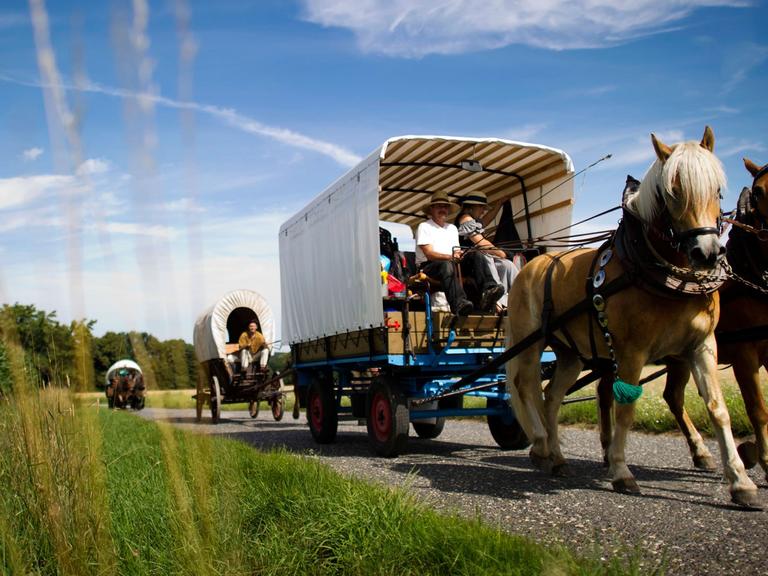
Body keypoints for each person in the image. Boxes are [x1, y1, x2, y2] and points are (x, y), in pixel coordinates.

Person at [415, 192, 504, 315]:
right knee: (445, 265)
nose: (443, 209)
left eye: (445, 207)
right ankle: (459, 303)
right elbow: (429, 254)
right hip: (430, 267)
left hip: (451, 263)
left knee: (476, 255)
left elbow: (457, 250)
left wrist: (461, 255)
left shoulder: (452, 228)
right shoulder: (424, 226)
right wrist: (451, 257)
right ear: (432, 209)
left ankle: (489, 290)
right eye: (439, 206)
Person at [456, 191, 522, 313]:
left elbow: (486, 220)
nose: (483, 210)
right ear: (471, 207)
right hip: (469, 263)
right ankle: (496, 303)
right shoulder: (465, 218)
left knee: (506, 265)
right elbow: (479, 242)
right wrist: (501, 253)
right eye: (481, 207)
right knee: (488, 259)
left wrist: (499, 205)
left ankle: (518, 297)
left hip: (480, 259)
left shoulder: (473, 220)